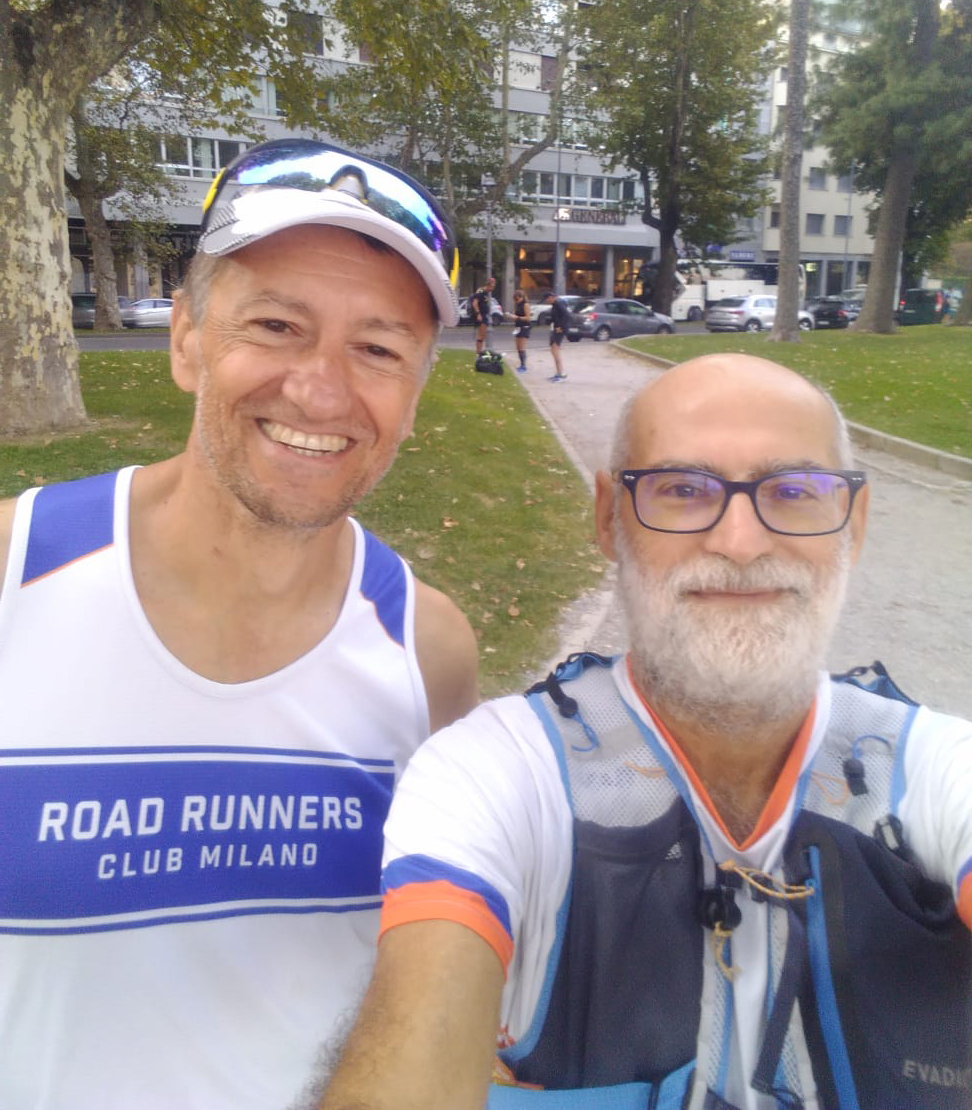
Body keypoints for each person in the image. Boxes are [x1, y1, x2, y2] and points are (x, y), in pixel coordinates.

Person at [320, 353, 972, 1110]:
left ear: (853, 524)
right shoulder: (495, 777)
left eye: (793, 491)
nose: (740, 541)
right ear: (608, 518)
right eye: (683, 490)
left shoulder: (939, 770)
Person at [0, 138, 479, 1110]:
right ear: (186, 340)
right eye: (276, 325)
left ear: (416, 393)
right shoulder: (14, 573)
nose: (321, 388)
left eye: (378, 348)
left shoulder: (429, 651)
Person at [545, 289, 570, 381]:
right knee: (553, 349)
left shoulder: (559, 303)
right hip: (555, 329)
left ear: (551, 297)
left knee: (555, 350)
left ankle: (561, 373)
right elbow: (555, 317)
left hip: (559, 330)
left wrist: (562, 327)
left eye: (547, 299)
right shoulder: (554, 305)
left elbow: (566, 315)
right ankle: (558, 372)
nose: (546, 301)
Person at [507, 289, 532, 373]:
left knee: (521, 347)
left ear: (521, 297)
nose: (516, 301)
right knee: (518, 347)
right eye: (514, 299)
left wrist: (517, 317)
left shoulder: (525, 305)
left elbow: (528, 318)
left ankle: (523, 365)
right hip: (518, 327)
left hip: (524, 327)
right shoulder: (518, 305)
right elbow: (516, 314)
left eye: (517, 299)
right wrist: (511, 315)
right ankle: (521, 364)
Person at [471, 276, 497, 355]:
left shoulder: (486, 293)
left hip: (484, 315)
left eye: (493, 286)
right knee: (481, 336)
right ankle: (478, 354)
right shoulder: (480, 291)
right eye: (492, 286)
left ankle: (479, 352)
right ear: (488, 285)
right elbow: (475, 303)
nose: (492, 288)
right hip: (481, 316)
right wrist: (478, 314)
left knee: (483, 335)